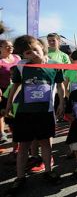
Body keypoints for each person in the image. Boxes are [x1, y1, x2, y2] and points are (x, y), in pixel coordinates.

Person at [5, 35, 65, 196]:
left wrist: (62, 103)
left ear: (42, 46)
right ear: (23, 55)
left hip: (45, 113)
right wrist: (9, 103)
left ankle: (49, 170)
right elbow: (15, 86)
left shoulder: (54, 65)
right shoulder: (22, 66)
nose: (32, 54)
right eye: (27, 53)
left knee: (46, 143)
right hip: (25, 113)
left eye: (35, 49)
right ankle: (19, 177)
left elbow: (60, 86)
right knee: (24, 145)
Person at [0, 39, 21, 144]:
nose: (11, 47)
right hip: (4, 91)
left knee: (18, 115)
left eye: (11, 46)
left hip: (19, 89)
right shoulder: (0, 61)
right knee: (5, 114)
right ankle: (3, 133)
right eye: (7, 46)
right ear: (1, 48)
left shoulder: (17, 57)